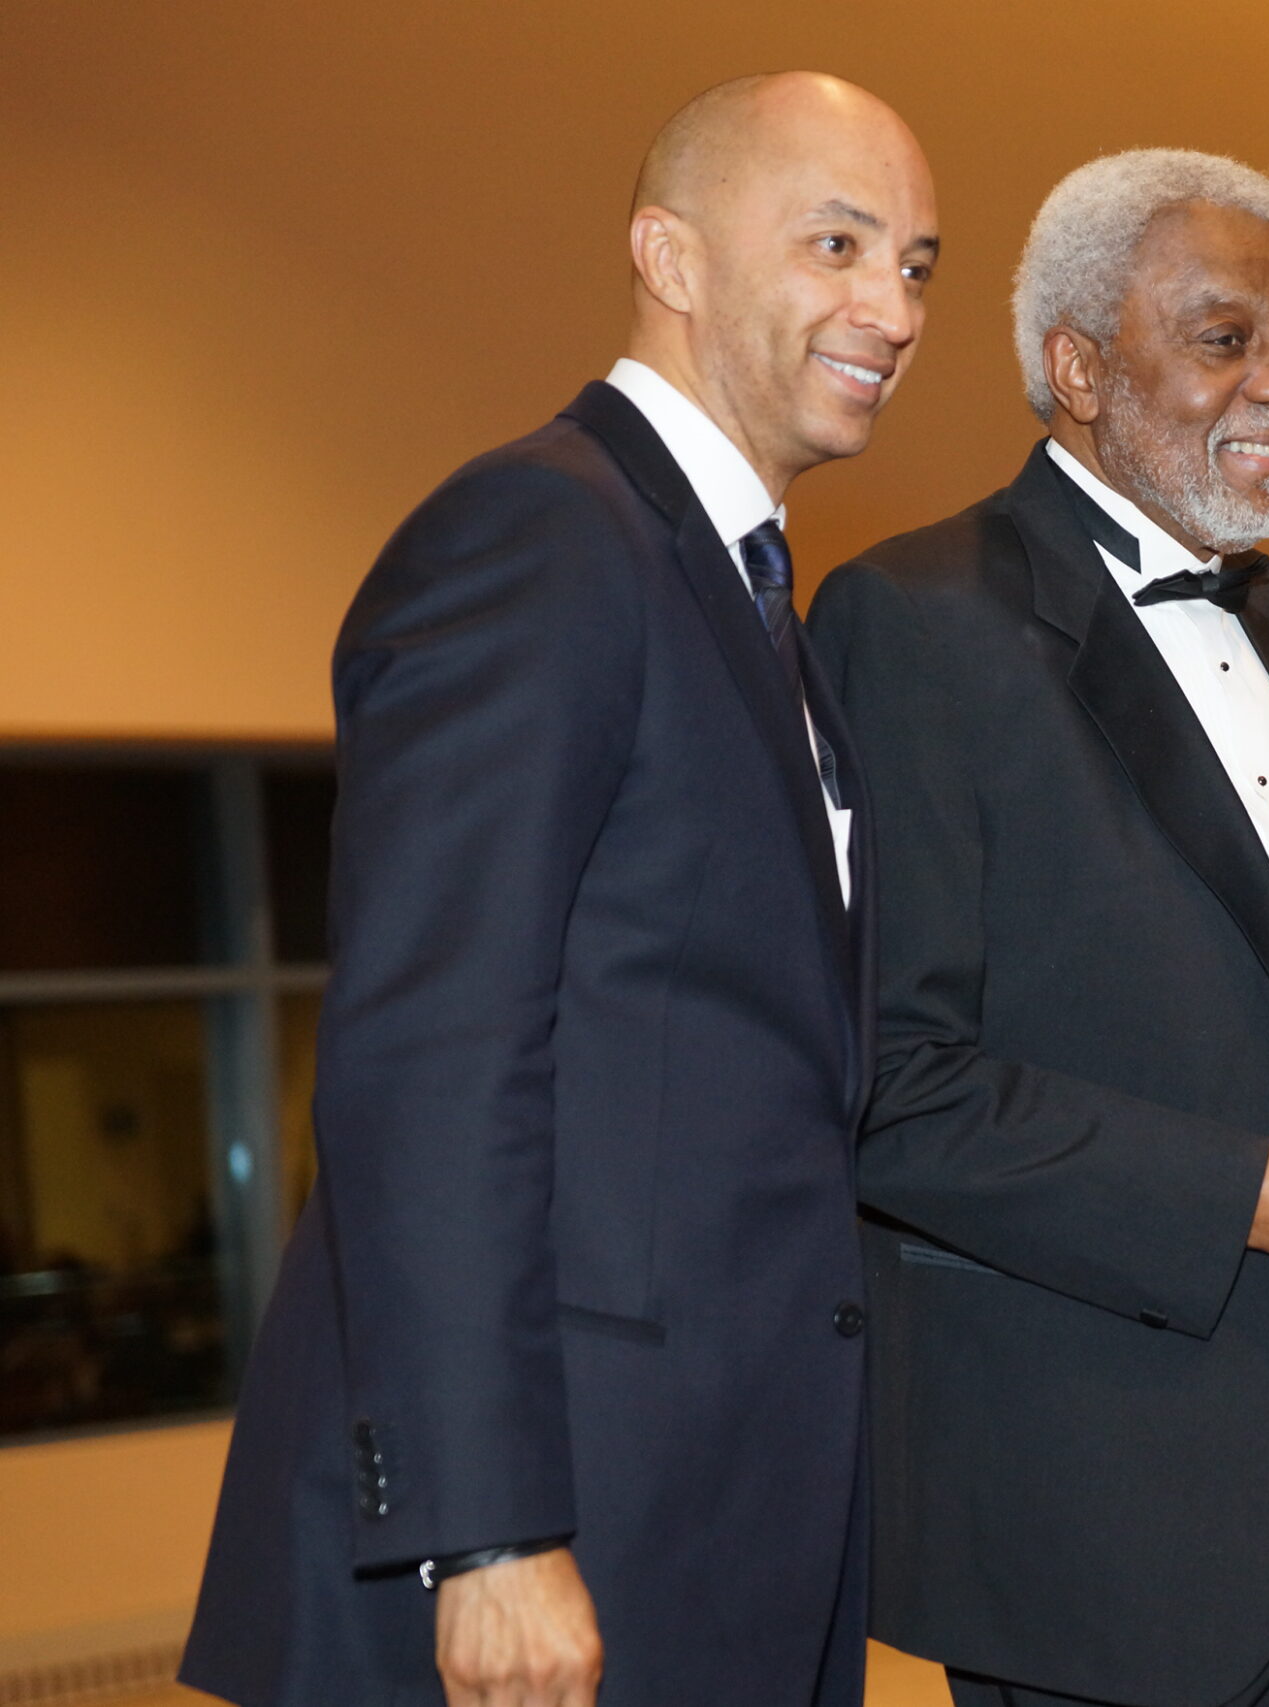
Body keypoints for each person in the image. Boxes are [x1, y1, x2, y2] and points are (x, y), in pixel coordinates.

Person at [180, 73, 935, 1707]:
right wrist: (488, 1531)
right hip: (556, 1527)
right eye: (838, 241)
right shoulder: (540, 534)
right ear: (670, 253)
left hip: (723, 1518)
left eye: (918, 264)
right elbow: (429, 1054)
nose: (891, 304)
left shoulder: (751, 603)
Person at [806, 150, 1269, 1707]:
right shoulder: (911, 618)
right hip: (1114, 1484)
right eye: (1224, 339)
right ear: (1077, 368)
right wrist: (1245, 1194)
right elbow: (892, 1084)